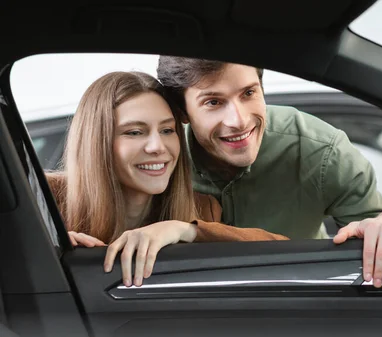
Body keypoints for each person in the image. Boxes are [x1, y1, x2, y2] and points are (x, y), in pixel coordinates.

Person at [156, 57, 382, 288]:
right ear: (183, 112)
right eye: (213, 102)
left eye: (248, 93)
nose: (239, 120)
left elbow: (376, 222)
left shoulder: (320, 150)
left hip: (299, 308)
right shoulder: (161, 159)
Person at [46, 71, 288, 287]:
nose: (157, 147)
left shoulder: (201, 209)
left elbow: (282, 252)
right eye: (134, 132)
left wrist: (183, 230)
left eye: (167, 130)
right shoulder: (42, 197)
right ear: (96, 140)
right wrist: (40, 250)